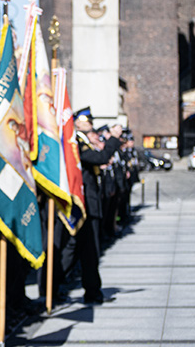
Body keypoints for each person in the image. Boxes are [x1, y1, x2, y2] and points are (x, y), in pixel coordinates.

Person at [70, 107, 123, 304]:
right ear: (77, 122)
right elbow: (100, 158)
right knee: (82, 249)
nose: (90, 124)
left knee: (85, 249)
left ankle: (90, 288)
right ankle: (88, 290)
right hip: (83, 202)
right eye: (86, 121)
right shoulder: (76, 142)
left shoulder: (83, 141)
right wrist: (113, 139)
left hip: (90, 202)